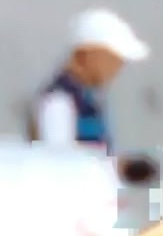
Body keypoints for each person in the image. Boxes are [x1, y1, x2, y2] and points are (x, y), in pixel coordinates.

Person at [29, 8, 150, 150]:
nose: (118, 67)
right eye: (113, 59)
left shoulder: (88, 100)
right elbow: (58, 158)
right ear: (88, 54)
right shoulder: (58, 101)